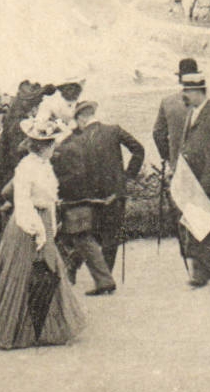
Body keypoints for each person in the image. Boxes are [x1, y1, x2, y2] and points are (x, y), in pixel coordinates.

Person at [0, 117, 85, 348]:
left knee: (47, 273)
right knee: (23, 274)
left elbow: (49, 199)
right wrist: (38, 231)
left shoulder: (45, 165)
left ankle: (43, 329)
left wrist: (51, 226)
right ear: (41, 146)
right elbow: (22, 201)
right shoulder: (26, 167)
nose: (54, 147)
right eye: (51, 144)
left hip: (43, 221)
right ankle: (14, 331)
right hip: (26, 225)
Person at [152, 59, 210, 287]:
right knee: (205, 219)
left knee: (200, 220)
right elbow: (185, 145)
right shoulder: (193, 112)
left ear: (198, 91)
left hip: (207, 176)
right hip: (191, 176)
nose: (184, 95)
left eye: (187, 91)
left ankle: (200, 272)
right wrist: (178, 168)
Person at [52, 100, 144, 295]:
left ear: (81, 118)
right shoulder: (114, 130)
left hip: (90, 196)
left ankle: (81, 269)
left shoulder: (75, 139)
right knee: (111, 236)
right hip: (115, 193)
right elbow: (138, 149)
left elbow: (64, 163)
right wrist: (127, 177)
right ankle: (104, 280)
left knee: (86, 235)